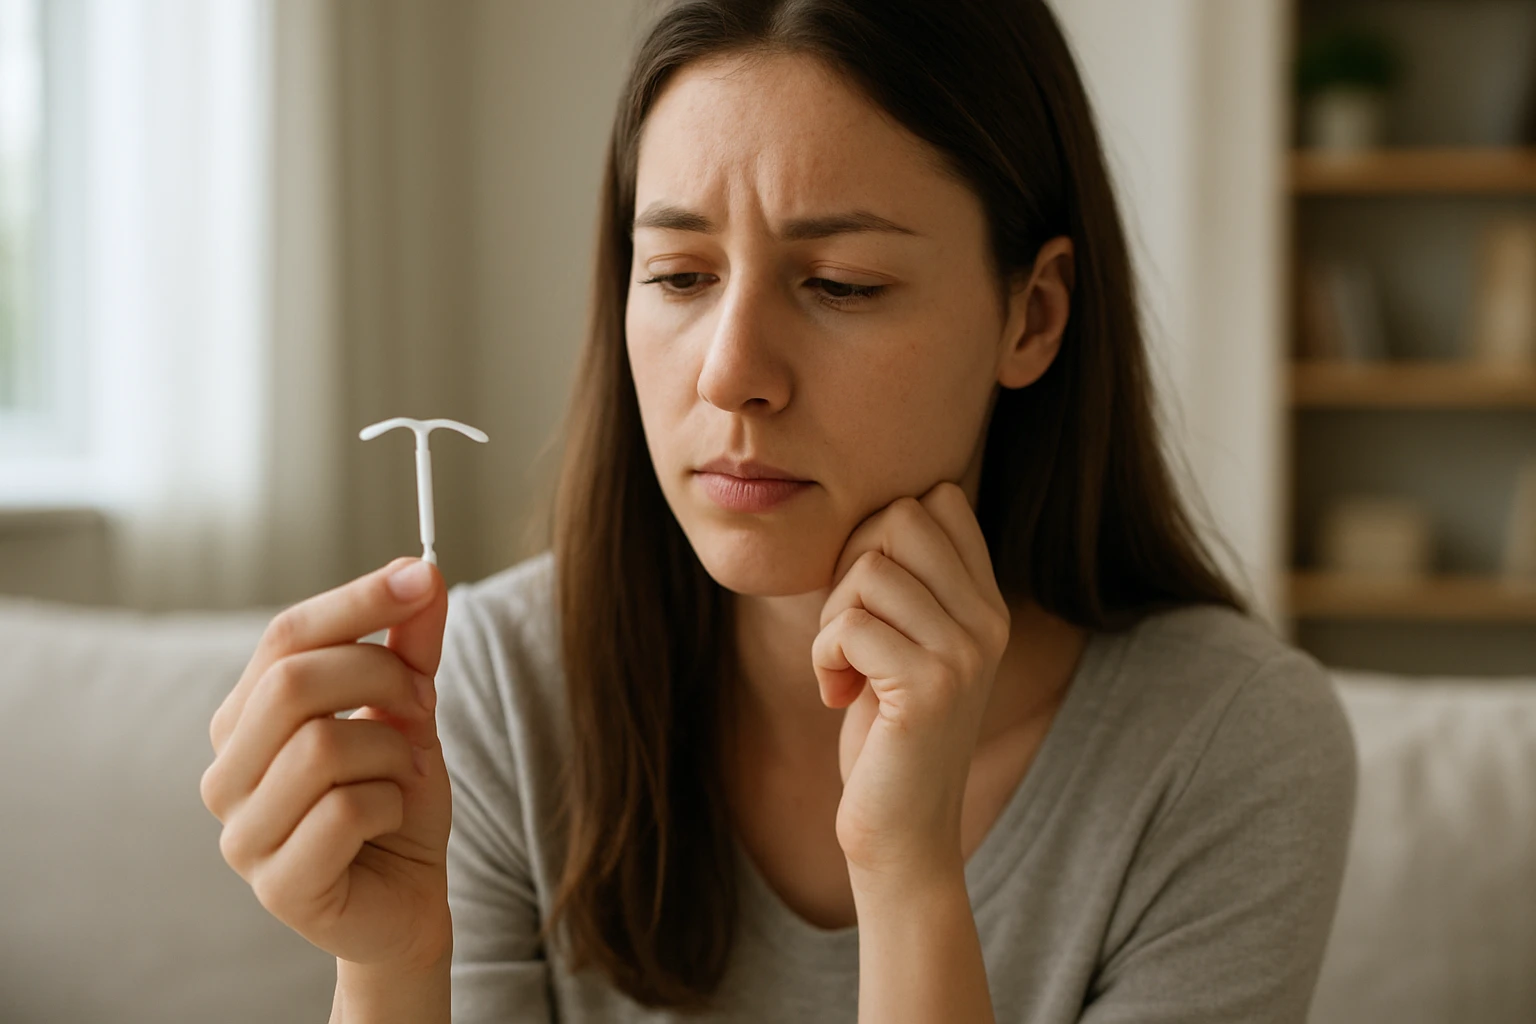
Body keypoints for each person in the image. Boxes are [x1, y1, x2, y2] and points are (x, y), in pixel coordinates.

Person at [200, 1, 1359, 1021]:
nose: (731, 371)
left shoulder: (1230, 749)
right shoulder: (501, 692)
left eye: (841, 283)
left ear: (1033, 315)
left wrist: (908, 873)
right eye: (681, 276)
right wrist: (395, 970)